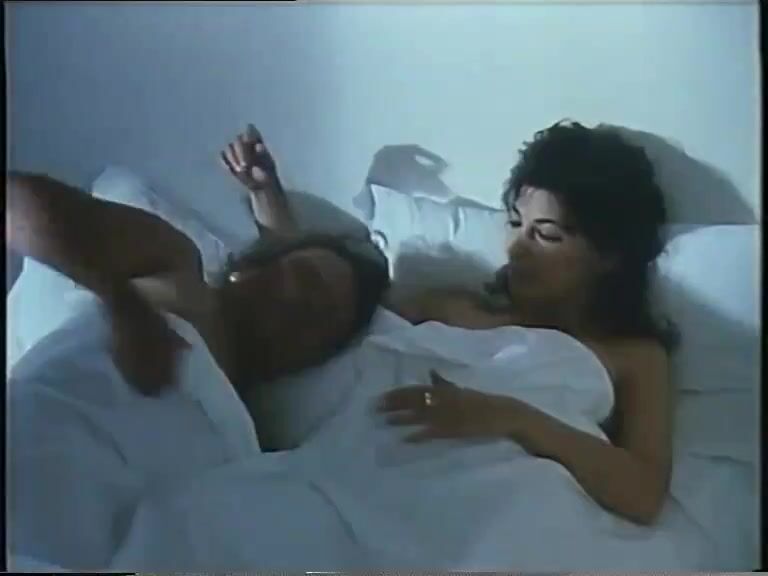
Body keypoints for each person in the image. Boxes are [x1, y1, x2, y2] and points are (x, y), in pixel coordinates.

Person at [379, 120, 678, 526]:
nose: (515, 248)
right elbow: (345, 330)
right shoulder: (451, 309)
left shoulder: (632, 356)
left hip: (501, 518)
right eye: (516, 223)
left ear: (609, 256)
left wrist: (510, 417)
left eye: (547, 235)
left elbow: (643, 495)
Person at [7, 124, 390, 398]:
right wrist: (123, 305)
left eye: (326, 317)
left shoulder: (249, 426)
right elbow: (18, 202)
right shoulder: (177, 269)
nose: (308, 308)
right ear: (246, 271)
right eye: (305, 281)